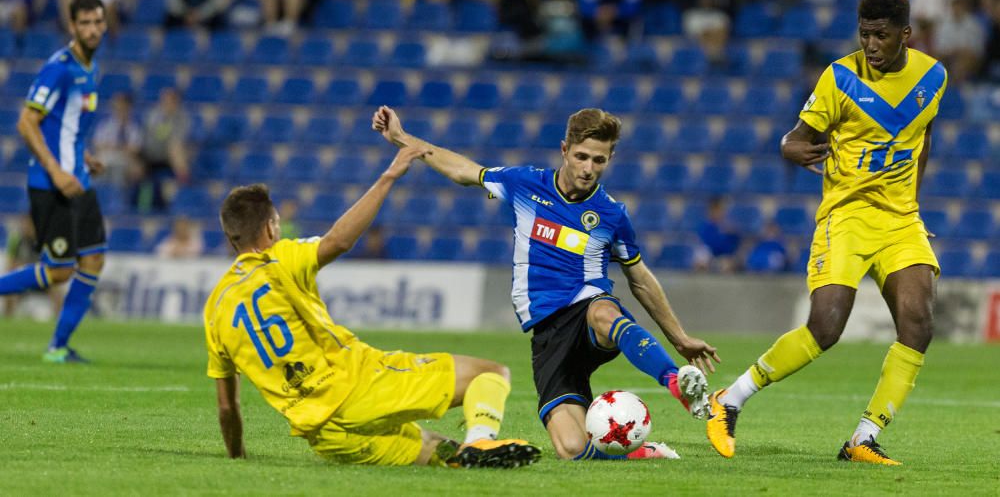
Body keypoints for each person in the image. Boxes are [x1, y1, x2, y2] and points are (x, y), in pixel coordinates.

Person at [372, 105, 720, 460]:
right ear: (564, 150)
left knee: (602, 311)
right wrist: (402, 139)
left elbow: (639, 278)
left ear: (610, 158)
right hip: (548, 335)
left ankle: (677, 383)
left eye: (599, 161)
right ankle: (642, 453)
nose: (588, 168)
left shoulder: (611, 214)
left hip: (586, 310)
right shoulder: (526, 184)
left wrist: (679, 338)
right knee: (571, 449)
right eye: (582, 156)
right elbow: (463, 171)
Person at [706, 0, 946, 466]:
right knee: (826, 326)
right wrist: (790, 148)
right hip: (847, 216)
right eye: (864, 36)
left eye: (880, 36)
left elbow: (925, 136)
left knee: (918, 324)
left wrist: (913, 204)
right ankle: (729, 399)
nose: (871, 46)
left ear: (906, 35)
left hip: (900, 221)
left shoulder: (933, 76)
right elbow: (795, 138)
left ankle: (863, 437)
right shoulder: (840, 78)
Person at [203, 147, 541, 468]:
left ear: (231, 238)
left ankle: (466, 453)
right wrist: (388, 177)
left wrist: (237, 459)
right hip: (359, 387)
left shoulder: (215, 310)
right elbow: (338, 241)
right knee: (490, 373)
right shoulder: (279, 259)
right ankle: (481, 439)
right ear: (270, 228)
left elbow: (226, 405)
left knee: (444, 454)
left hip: (327, 436)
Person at [0, 0, 109, 363]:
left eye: (98, 22)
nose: (92, 29)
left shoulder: (92, 68)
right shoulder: (59, 68)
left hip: (80, 179)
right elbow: (26, 122)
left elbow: (66, 127)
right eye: (85, 23)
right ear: (72, 26)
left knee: (93, 259)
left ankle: (58, 348)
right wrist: (57, 169)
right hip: (53, 184)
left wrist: (83, 157)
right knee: (59, 271)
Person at [134, 87, 190, 212]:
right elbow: (148, 137)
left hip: (170, 156)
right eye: (165, 100)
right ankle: (140, 205)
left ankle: (184, 186)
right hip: (151, 154)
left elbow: (179, 139)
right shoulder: (153, 115)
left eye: (171, 101)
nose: (167, 104)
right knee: (135, 166)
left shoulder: (182, 118)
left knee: (175, 149)